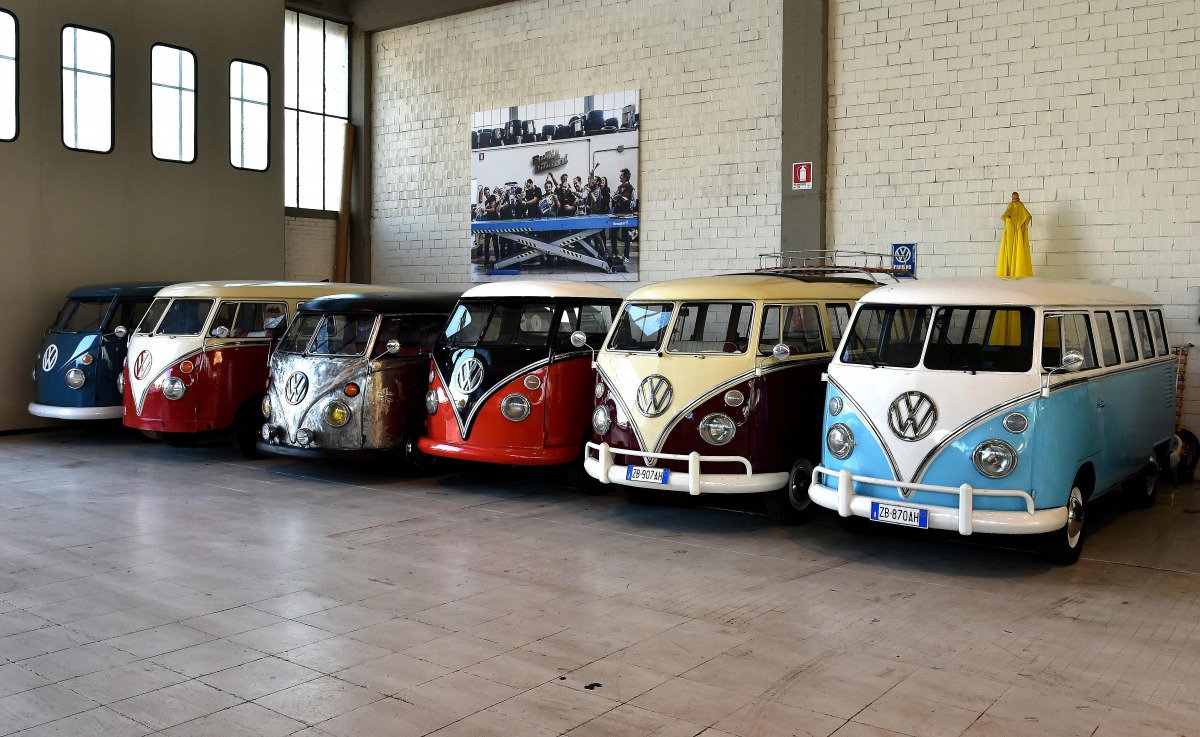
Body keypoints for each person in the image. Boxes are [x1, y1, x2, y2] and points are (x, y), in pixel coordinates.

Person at [610, 168, 635, 262]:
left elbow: (634, 203)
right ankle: (614, 252)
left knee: (626, 235)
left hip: (626, 214)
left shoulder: (631, 189)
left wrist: (627, 200)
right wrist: (615, 198)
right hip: (617, 213)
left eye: (621, 175)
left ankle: (626, 256)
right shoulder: (619, 187)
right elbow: (616, 197)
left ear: (625, 177)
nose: (619, 177)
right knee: (613, 233)